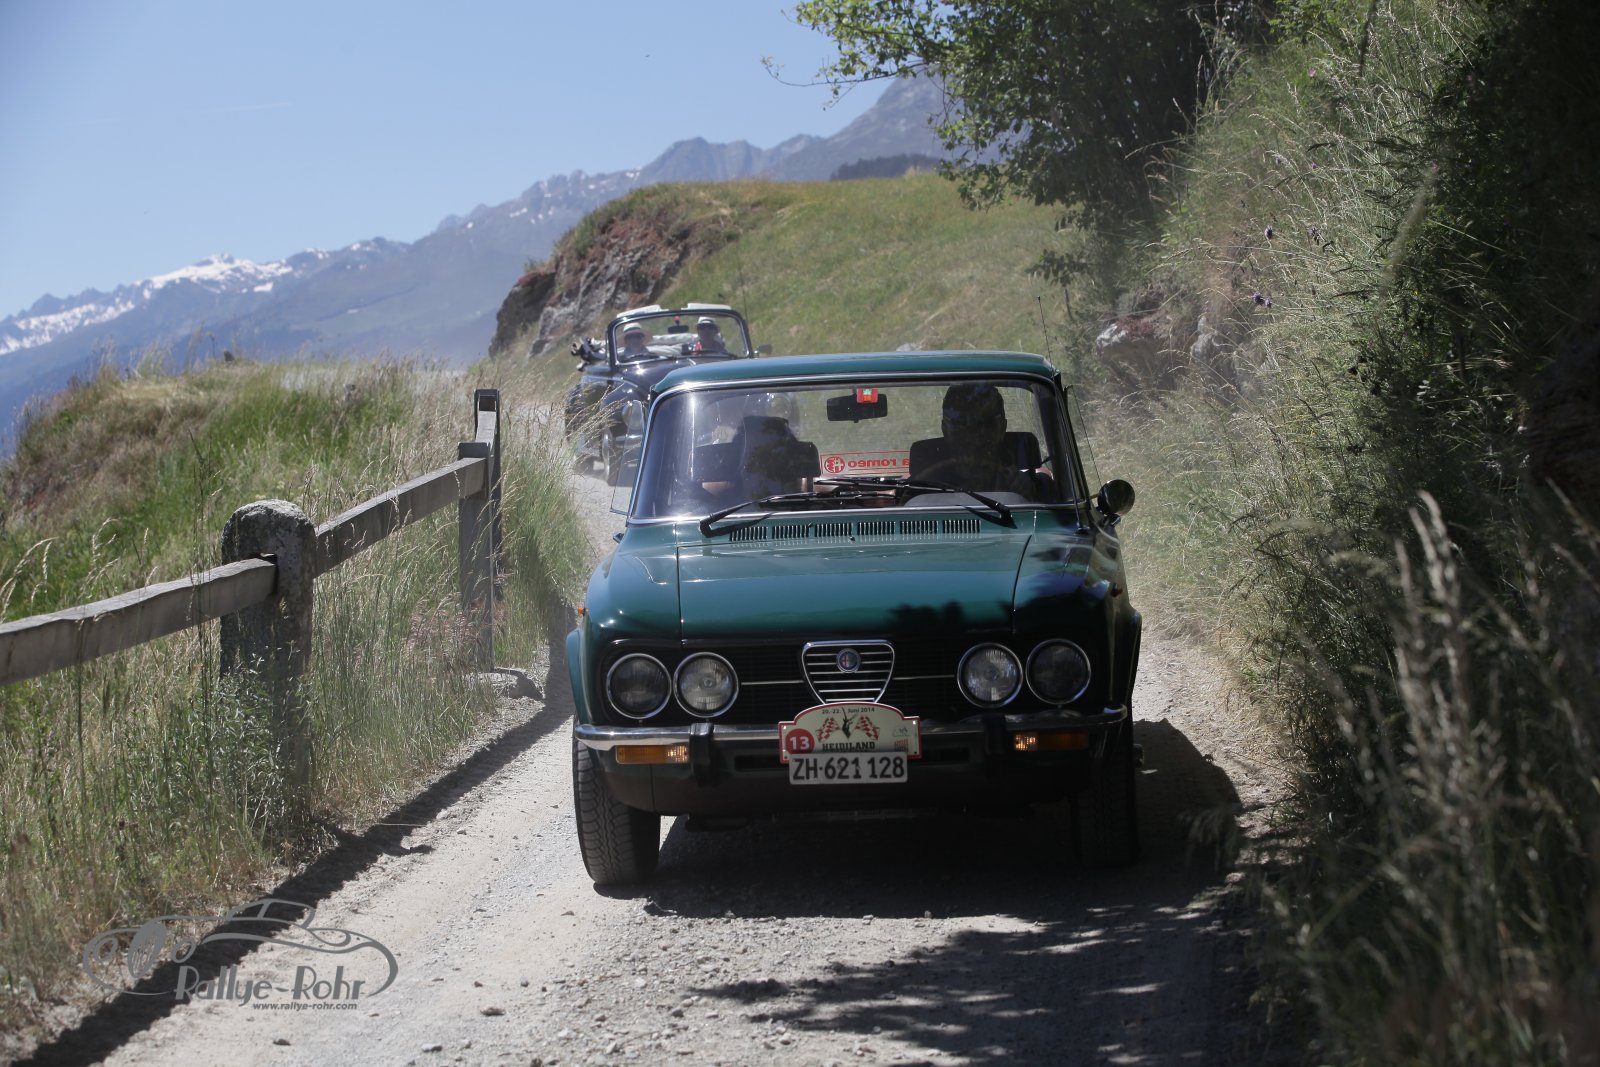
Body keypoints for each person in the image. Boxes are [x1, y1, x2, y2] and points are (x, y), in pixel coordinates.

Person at [911, 382, 1044, 497]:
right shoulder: (921, 486)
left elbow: (1036, 515)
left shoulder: (1017, 485)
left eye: (984, 424)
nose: (972, 437)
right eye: (960, 425)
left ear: (1002, 428)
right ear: (945, 429)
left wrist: (1021, 492)